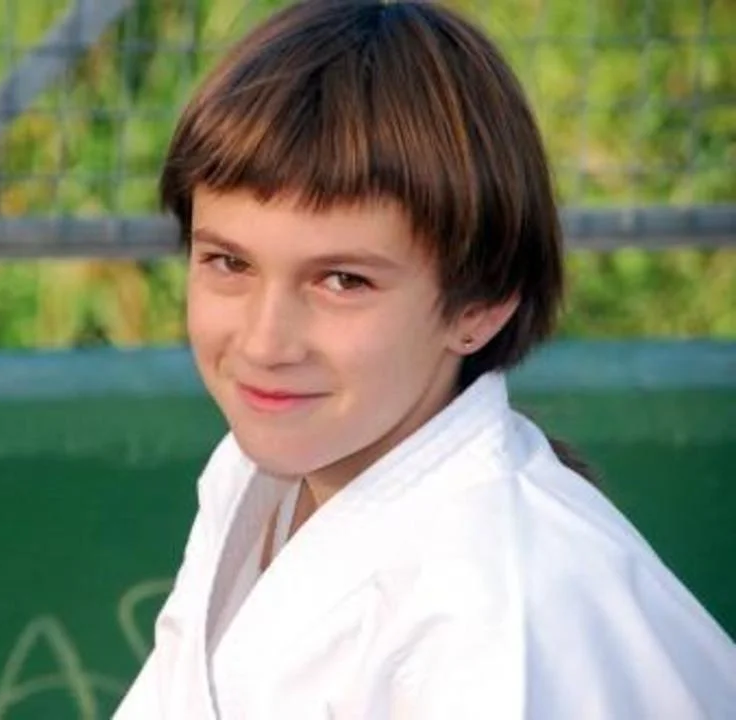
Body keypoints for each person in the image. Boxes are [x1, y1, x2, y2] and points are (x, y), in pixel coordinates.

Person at [114, 1, 736, 717]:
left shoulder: (496, 615)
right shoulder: (253, 478)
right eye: (229, 263)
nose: (263, 343)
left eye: (343, 281)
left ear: (480, 304)